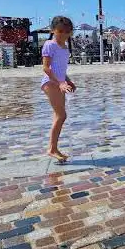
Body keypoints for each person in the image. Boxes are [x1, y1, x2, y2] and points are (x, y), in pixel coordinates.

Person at [41, 16, 76, 163]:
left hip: (60, 82)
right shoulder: (50, 44)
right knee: (61, 115)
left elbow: (60, 68)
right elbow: (46, 68)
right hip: (50, 82)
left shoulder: (65, 48)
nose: (64, 34)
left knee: (59, 116)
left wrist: (68, 80)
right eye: (60, 31)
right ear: (53, 30)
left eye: (67, 31)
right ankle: (51, 148)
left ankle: (54, 148)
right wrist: (61, 82)